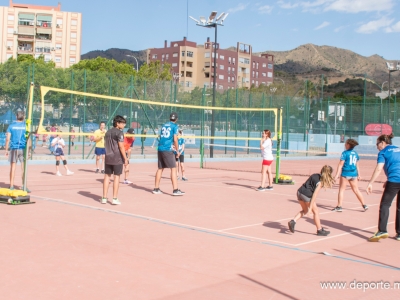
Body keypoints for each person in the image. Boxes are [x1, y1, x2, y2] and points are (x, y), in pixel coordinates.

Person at [366, 133, 400, 242]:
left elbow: (379, 168)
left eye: (377, 144)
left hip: (394, 181)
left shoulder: (383, 152)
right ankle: (399, 233)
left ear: (383, 143)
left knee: (385, 205)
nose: (377, 146)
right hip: (393, 179)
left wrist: (370, 183)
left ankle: (382, 230)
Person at [288, 165, 335, 236]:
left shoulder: (314, 175)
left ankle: (293, 221)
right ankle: (319, 230)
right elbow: (314, 195)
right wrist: (310, 208)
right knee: (315, 211)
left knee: (304, 210)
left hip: (300, 192)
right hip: (307, 195)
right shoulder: (320, 183)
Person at [153, 112, 185, 196]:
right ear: (176, 119)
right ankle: (175, 190)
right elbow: (175, 139)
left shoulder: (164, 125)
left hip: (160, 148)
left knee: (160, 168)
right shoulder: (175, 126)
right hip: (167, 149)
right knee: (173, 168)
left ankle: (156, 188)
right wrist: (177, 150)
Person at [332, 139, 368, 212]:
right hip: (354, 174)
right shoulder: (355, 153)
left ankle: (339, 206)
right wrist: (359, 175)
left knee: (341, 190)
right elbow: (357, 165)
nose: (345, 145)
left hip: (345, 174)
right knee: (356, 190)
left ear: (348, 145)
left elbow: (340, 164)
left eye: (345, 144)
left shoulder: (345, 153)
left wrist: (336, 175)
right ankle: (364, 205)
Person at [101, 115, 128, 205]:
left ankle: (104, 198)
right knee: (116, 177)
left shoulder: (107, 132)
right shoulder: (119, 133)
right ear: (117, 123)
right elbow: (121, 146)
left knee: (107, 176)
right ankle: (114, 198)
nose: (124, 125)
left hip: (108, 157)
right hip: (117, 158)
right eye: (123, 123)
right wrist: (125, 158)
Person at [5, 111, 30, 192]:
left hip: (14, 149)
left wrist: (6, 149)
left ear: (16, 116)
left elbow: (8, 139)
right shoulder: (26, 126)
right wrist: (29, 151)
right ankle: (24, 186)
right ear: (23, 117)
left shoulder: (11, 126)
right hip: (23, 149)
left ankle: (11, 185)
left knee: (13, 167)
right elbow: (28, 139)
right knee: (24, 168)